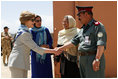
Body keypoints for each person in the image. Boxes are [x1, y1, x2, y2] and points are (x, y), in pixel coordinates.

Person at [55, 6, 107, 78]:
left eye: (79, 15)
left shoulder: (98, 26)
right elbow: (73, 42)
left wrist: (97, 59)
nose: (78, 18)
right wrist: (60, 48)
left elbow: (101, 44)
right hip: (82, 60)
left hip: (92, 58)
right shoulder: (82, 29)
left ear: (86, 14)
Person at [8, 11, 58, 78]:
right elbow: (37, 48)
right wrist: (54, 51)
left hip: (20, 63)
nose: (34, 22)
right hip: (18, 63)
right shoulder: (24, 33)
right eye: (32, 20)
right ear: (26, 20)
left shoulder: (23, 30)